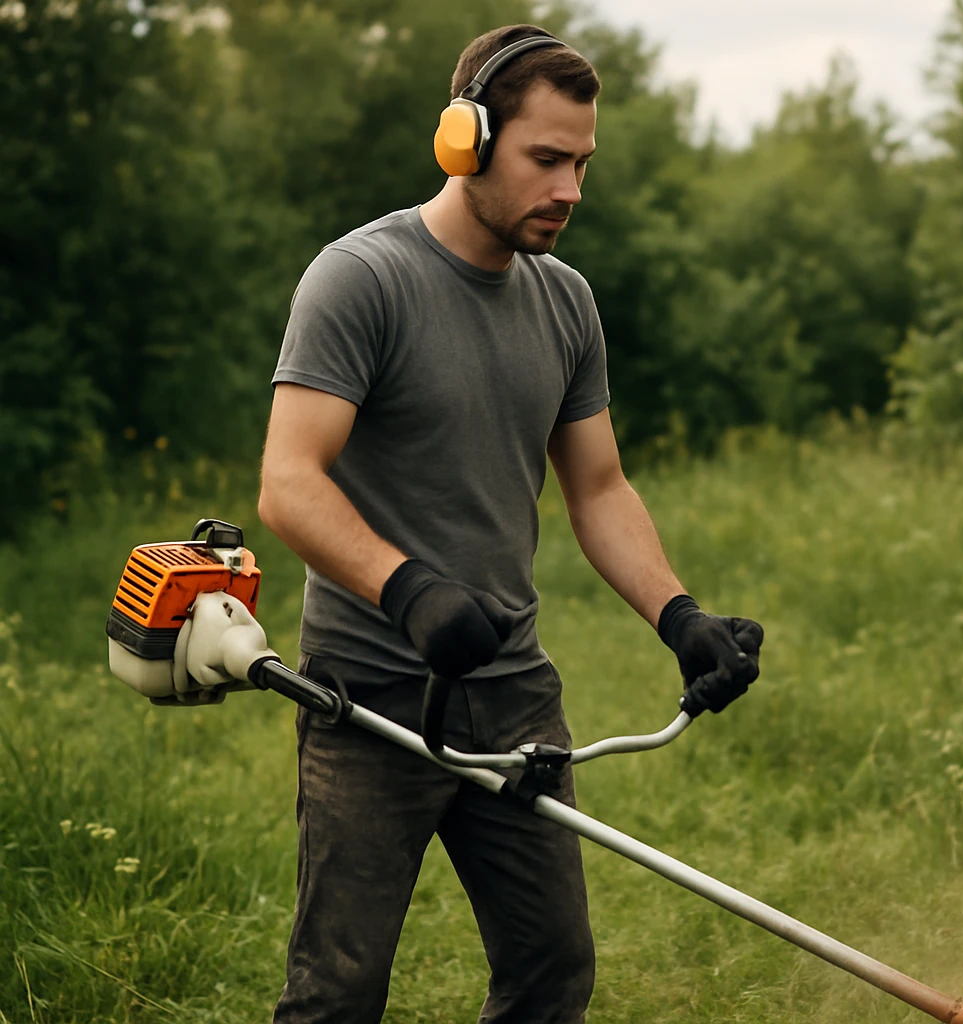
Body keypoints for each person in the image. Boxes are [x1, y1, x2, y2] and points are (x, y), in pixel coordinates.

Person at [256, 23, 763, 1024]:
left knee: (551, 973)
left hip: (516, 694)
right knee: (338, 995)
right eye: (546, 158)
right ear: (466, 141)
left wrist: (682, 617)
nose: (571, 187)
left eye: (581, 161)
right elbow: (289, 482)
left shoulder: (567, 303)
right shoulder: (362, 280)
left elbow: (601, 491)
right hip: (371, 696)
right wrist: (411, 591)